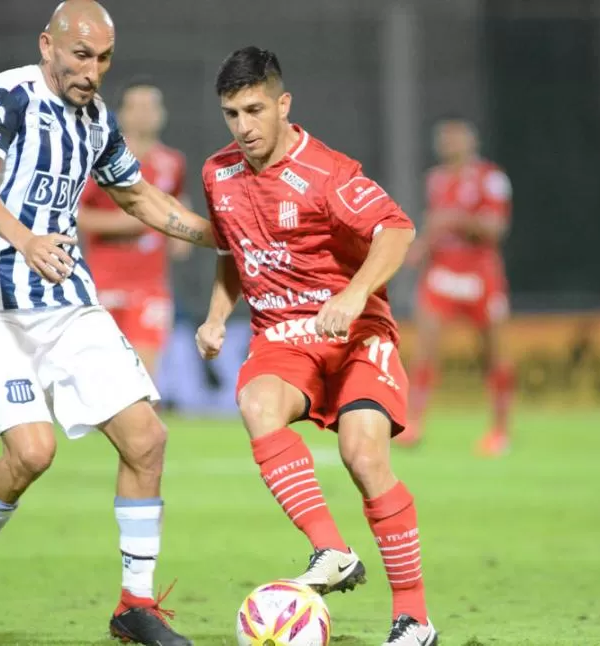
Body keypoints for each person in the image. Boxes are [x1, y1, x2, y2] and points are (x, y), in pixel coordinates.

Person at [0, 2, 213, 644]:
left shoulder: (95, 123)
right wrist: (27, 239)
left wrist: (218, 239)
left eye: (104, 59)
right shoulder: (5, 97)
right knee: (33, 452)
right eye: (80, 55)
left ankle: (134, 606)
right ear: (49, 46)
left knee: (146, 440)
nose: (92, 71)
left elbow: (137, 195)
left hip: (65, 300)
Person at [195, 47, 438, 646]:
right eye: (231, 113)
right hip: (282, 337)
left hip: (354, 335)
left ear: (283, 104)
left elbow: (397, 230)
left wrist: (354, 296)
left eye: (255, 109)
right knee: (256, 403)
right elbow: (234, 253)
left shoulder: (326, 171)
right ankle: (331, 549)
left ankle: (413, 618)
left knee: (363, 456)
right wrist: (216, 316)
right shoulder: (217, 174)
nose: (244, 127)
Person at [395, 118, 515, 455]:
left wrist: (456, 220)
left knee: (493, 353)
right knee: (425, 347)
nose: (448, 146)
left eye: (455, 140)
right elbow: (435, 223)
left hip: (480, 274)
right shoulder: (435, 179)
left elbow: (496, 229)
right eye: (444, 141)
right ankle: (413, 423)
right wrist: (421, 248)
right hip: (443, 273)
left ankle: (500, 430)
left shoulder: (491, 178)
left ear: (470, 143)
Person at [79, 78, 192, 381]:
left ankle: (141, 427)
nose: (144, 113)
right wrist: (128, 221)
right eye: (137, 106)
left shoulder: (173, 162)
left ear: (162, 113)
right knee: (100, 375)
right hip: (104, 281)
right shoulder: (103, 158)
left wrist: (180, 232)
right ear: (123, 113)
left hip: (151, 284)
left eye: (151, 106)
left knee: (143, 374)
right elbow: (74, 212)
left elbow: (178, 199)